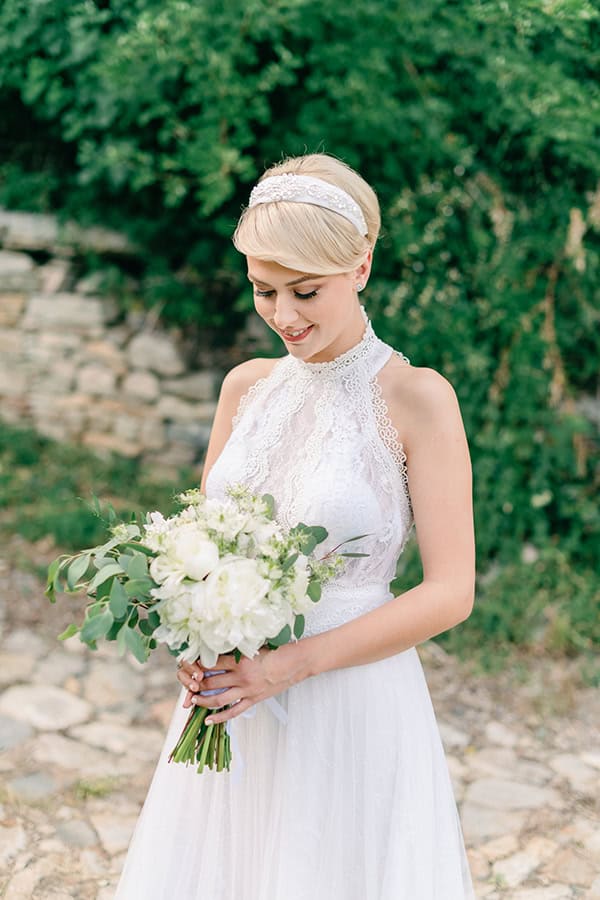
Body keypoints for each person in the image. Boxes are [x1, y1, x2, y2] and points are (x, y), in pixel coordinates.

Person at [114, 153, 476, 899]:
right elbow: (202, 542)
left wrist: (290, 665)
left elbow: (450, 593)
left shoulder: (417, 399)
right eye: (264, 291)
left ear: (362, 265)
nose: (284, 316)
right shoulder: (244, 387)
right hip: (234, 701)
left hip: (351, 700)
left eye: (306, 291)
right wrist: (198, 639)